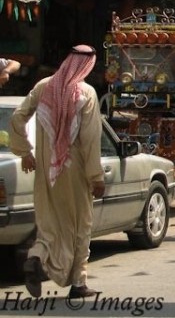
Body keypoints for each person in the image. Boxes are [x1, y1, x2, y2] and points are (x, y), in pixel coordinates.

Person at [9, 46, 104, 299]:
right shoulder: (86, 93)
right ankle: (79, 283)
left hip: (45, 167)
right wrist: (96, 177)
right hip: (75, 169)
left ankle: (36, 257)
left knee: (48, 222)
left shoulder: (43, 87)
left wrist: (25, 152)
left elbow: (18, 117)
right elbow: (90, 139)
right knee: (80, 223)